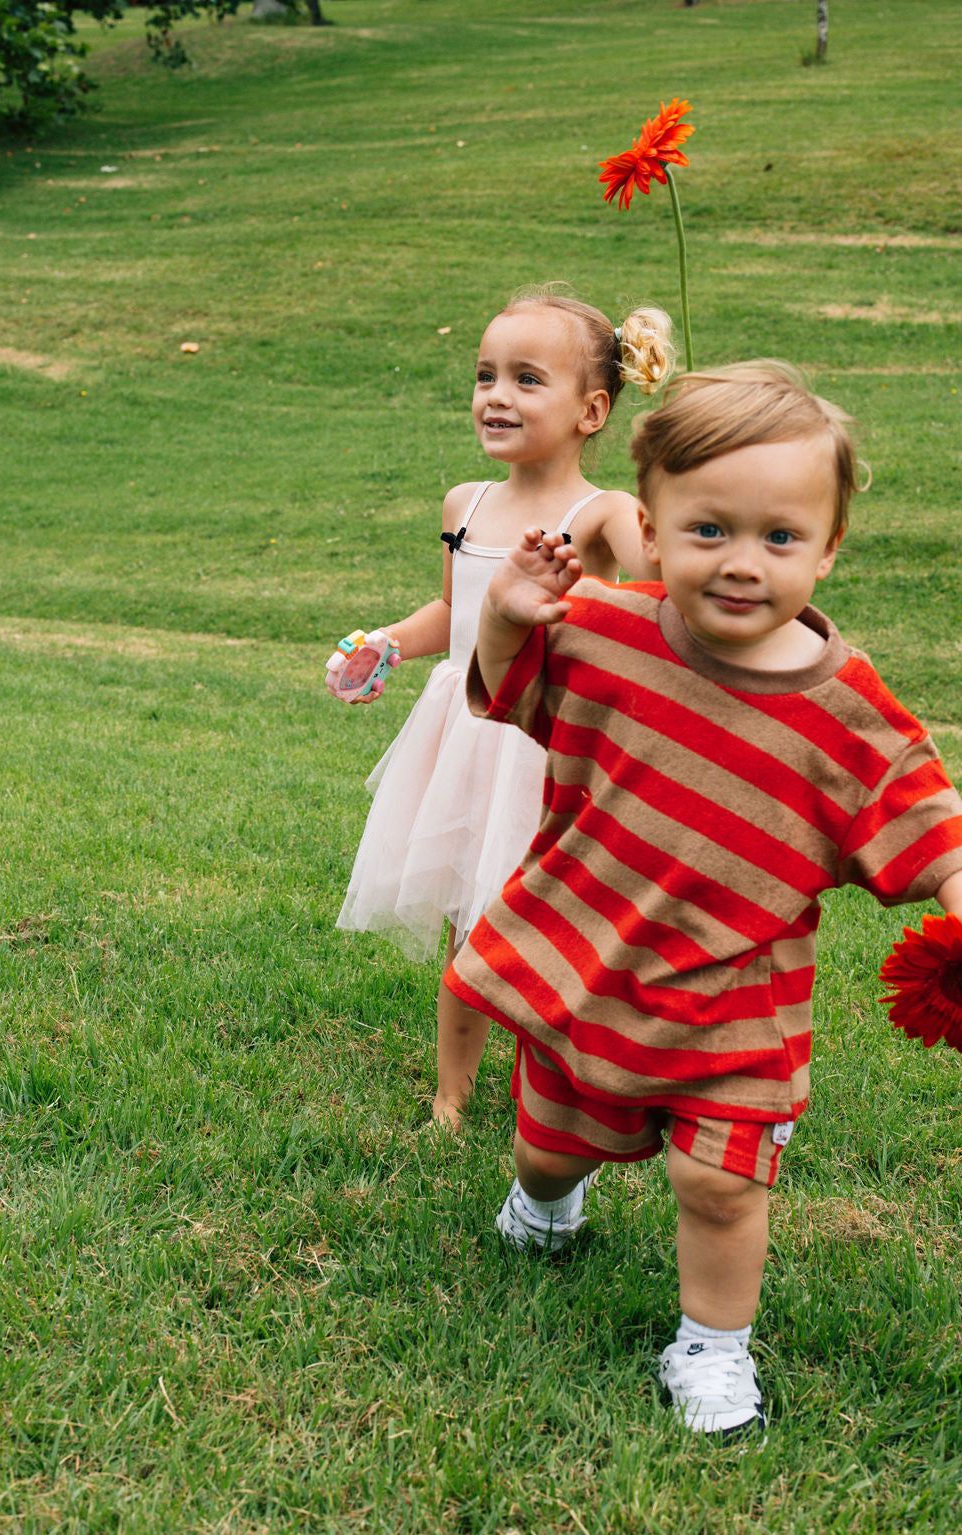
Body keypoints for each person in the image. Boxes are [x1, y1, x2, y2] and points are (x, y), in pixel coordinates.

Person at [447, 362, 962, 1436]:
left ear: (827, 548)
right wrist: (505, 614)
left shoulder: (849, 716)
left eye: (779, 537)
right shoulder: (606, 635)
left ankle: (712, 1344)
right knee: (550, 1140)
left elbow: (930, 825)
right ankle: (544, 1199)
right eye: (708, 530)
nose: (741, 562)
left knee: (720, 1184)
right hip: (589, 969)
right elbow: (508, 691)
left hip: (734, 1006)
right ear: (650, 523)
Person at [333, 288, 674, 1127]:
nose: (496, 395)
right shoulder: (465, 504)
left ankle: (564, 1091)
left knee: (555, 924)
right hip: (465, 730)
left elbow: (660, 576)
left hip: (546, 738)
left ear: (592, 409)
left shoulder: (601, 514)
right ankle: (452, 1093)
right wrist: (385, 641)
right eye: (486, 375)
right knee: (470, 918)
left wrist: (676, 495)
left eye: (527, 379)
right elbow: (454, 613)